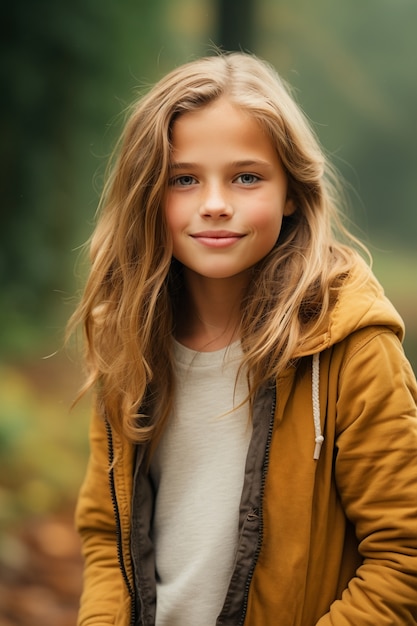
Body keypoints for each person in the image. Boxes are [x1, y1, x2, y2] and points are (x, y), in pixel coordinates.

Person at [70, 51, 417, 626]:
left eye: (246, 176)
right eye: (184, 179)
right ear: (148, 197)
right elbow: (106, 532)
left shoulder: (351, 344)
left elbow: (403, 557)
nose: (214, 204)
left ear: (291, 193)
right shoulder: (126, 338)